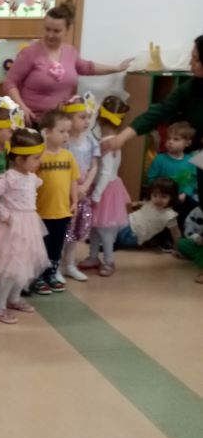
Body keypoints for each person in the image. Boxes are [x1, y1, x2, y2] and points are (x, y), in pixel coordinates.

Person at [103, 36, 203, 202]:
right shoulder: (192, 86)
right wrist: (121, 138)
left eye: (195, 59)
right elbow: (160, 111)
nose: (190, 63)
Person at [4, 0, 132, 124]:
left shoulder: (71, 52)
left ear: (67, 30)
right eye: (47, 29)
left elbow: (88, 67)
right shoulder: (29, 53)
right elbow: (10, 82)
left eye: (56, 31)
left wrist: (117, 68)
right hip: (33, 122)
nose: (50, 35)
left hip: (61, 123)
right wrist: (21, 107)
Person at [0, 128, 49, 323]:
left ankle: (14, 298)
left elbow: (34, 186)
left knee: (24, 264)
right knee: (11, 269)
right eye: (36, 158)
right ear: (20, 159)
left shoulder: (31, 177)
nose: (39, 162)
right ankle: (0, 307)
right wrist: (3, 214)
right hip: (13, 227)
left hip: (29, 225)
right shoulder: (10, 177)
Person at [79, 96, 131, 277]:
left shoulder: (109, 143)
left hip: (105, 191)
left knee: (105, 229)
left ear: (100, 119)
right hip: (101, 188)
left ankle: (109, 260)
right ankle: (93, 256)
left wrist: (96, 195)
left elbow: (106, 173)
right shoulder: (111, 140)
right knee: (95, 226)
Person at [32, 109, 80, 294]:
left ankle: (51, 274)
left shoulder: (68, 156)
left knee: (56, 247)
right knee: (41, 247)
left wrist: (74, 201)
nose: (66, 135)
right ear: (47, 132)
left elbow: (73, 180)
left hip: (62, 212)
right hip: (42, 212)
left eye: (68, 131)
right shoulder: (39, 156)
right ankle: (38, 277)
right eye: (61, 131)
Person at [59, 93, 101, 281]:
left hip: (83, 191)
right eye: (82, 117)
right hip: (66, 191)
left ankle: (69, 264)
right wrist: (74, 188)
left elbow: (94, 166)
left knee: (75, 231)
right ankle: (55, 266)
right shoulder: (64, 142)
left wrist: (85, 186)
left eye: (88, 117)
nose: (86, 121)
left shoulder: (91, 141)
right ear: (69, 118)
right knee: (62, 231)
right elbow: (63, 168)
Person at [146, 121, 198, 230]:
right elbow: (151, 179)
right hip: (162, 200)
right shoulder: (160, 159)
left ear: (187, 143)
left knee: (183, 217)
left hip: (181, 199)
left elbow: (192, 180)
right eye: (168, 138)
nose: (170, 142)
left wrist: (185, 193)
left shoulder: (190, 161)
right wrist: (159, 195)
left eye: (176, 139)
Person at [115, 177, 181, 252]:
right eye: (155, 195)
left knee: (112, 235)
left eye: (163, 196)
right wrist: (136, 203)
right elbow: (144, 203)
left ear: (172, 197)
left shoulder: (170, 216)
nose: (158, 200)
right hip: (127, 222)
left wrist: (178, 248)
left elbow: (176, 233)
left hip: (133, 234)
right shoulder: (151, 202)